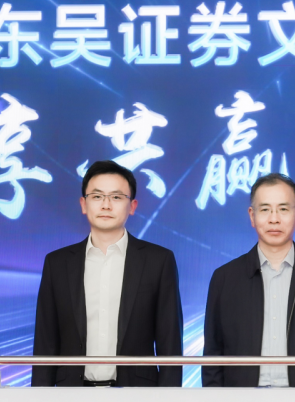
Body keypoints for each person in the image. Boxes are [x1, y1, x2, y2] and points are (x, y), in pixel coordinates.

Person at [32, 160, 183, 387]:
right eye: (97, 196)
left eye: (116, 197)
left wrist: (169, 401)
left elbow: (169, 341)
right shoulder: (57, 263)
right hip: (70, 394)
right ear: (83, 204)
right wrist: (39, 400)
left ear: (132, 206)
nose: (106, 205)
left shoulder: (158, 261)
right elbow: (45, 341)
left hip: (137, 395)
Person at [202, 173, 295, 387]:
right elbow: (212, 355)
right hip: (242, 400)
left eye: (283, 209)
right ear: (252, 216)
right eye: (265, 209)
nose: (274, 219)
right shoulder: (225, 278)